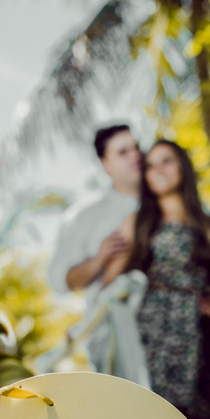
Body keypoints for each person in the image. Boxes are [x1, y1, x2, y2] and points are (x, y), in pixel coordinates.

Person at [101, 140, 210, 419]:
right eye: (150, 166)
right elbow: (109, 283)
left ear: (182, 166)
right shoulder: (138, 223)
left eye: (166, 161)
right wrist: (104, 258)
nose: (158, 171)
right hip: (154, 338)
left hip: (202, 340)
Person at [47, 124, 149, 382]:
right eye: (123, 152)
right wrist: (99, 259)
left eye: (136, 147)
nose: (135, 155)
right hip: (112, 338)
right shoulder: (84, 216)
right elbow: (61, 281)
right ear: (105, 163)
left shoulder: (168, 200)